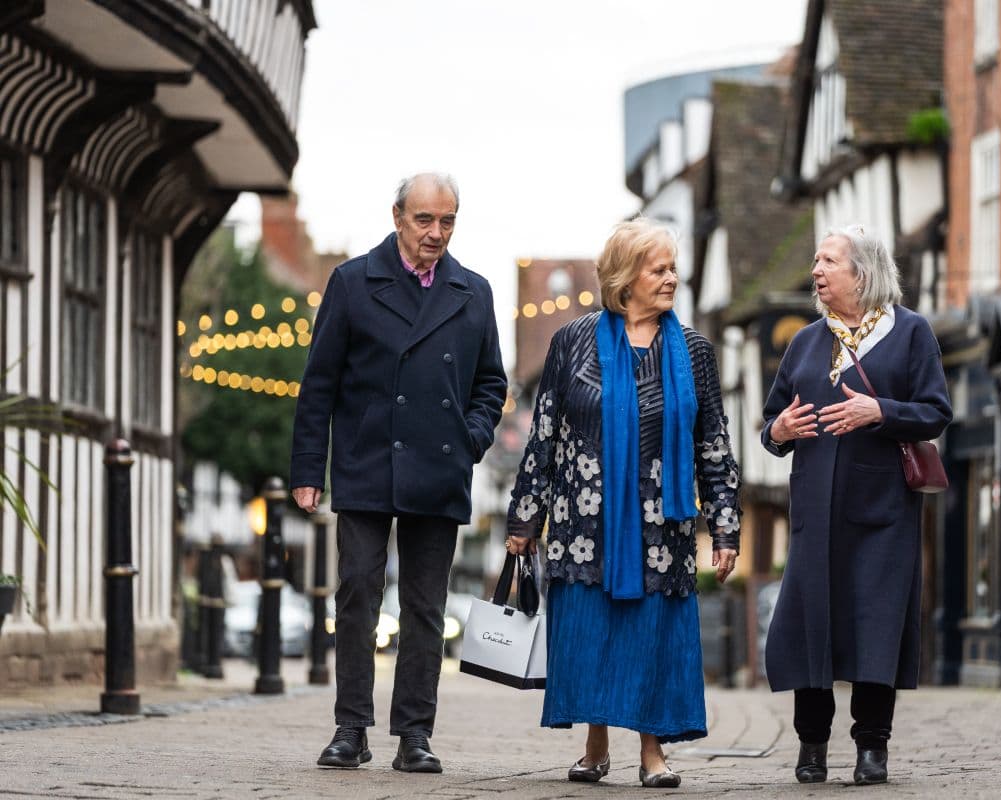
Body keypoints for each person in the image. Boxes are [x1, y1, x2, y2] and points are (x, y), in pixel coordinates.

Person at [506, 218, 741, 789]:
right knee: (590, 630)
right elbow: (545, 436)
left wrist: (727, 526)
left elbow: (713, 440)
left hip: (664, 524)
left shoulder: (693, 351)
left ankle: (653, 753)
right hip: (582, 523)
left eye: (673, 269)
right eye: (657, 269)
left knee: (651, 633)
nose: (671, 279)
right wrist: (524, 516)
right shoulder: (572, 342)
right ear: (624, 276)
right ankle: (595, 745)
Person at [290, 173, 507, 774]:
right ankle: (350, 727)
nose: (436, 233)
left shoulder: (473, 290)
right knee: (358, 592)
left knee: (425, 607)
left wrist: (471, 438)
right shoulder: (353, 282)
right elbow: (319, 385)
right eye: (424, 220)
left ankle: (414, 733)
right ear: (397, 217)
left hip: (439, 466)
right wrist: (310, 468)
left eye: (447, 221)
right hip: (365, 461)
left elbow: (491, 382)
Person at [760, 224, 951, 786]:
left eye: (827, 261)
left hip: (884, 514)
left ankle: (872, 749)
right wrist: (779, 427)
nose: (815, 271)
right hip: (814, 515)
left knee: (876, 626)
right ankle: (811, 746)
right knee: (809, 625)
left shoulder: (911, 333)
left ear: (861, 273)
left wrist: (880, 412)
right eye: (815, 261)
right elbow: (771, 427)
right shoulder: (804, 341)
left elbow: (936, 412)